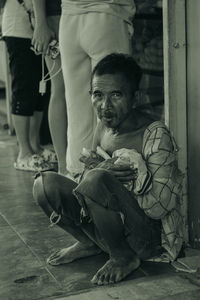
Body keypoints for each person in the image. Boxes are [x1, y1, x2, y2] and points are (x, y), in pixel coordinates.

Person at [33, 53, 184, 285]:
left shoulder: (154, 134)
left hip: (147, 239)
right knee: (44, 185)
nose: (105, 106)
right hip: (109, 227)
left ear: (135, 98)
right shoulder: (103, 127)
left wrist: (121, 182)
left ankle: (123, 257)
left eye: (116, 95)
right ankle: (89, 242)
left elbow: (162, 207)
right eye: (98, 95)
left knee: (96, 180)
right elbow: (88, 177)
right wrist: (99, 172)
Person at [59, 0, 136, 178]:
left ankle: (78, 178)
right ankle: (111, 183)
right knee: (115, 105)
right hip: (107, 14)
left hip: (70, 17)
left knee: (76, 109)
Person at [1, 0, 55, 171]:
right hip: (18, 30)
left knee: (40, 90)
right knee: (24, 89)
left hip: (38, 29)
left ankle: (35, 146)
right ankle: (23, 152)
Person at [31, 0, 68, 175]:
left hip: (70, 14)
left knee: (75, 92)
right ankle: (62, 165)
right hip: (55, 15)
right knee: (60, 91)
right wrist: (40, 23)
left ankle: (70, 163)